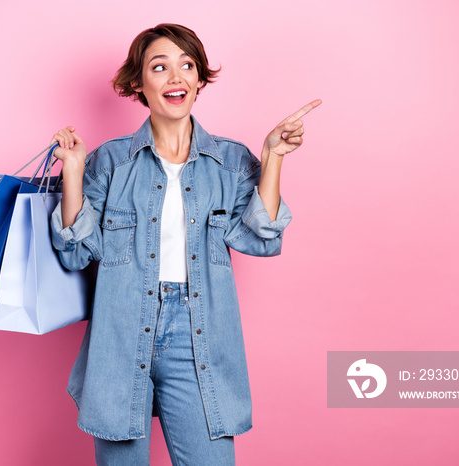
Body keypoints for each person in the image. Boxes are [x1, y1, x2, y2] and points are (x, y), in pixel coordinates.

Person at [49, 23, 321, 465]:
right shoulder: (110, 162)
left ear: (198, 80)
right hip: (119, 331)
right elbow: (76, 251)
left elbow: (261, 237)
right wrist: (74, 172)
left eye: (187, 65)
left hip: (199, 334)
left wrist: (272, 158)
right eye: (160, 67)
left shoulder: (230, 161)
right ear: (139, 82)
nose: (176, 77)